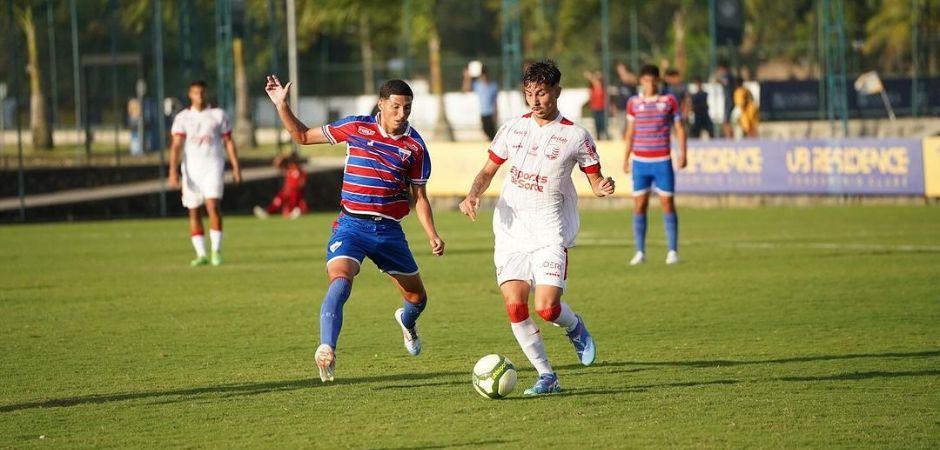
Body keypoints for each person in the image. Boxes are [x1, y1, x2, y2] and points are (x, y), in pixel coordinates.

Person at [264, 75, 445, 383]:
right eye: (396, 107)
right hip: (351, 225)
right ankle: (326, 348)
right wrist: (282, 106)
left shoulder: (415, 146)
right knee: (340, 281)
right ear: (382, 104)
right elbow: (303, 137)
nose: (402, 114)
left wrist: (432, 234)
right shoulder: (356, 127)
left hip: (389, 232)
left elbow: (420, 197)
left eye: (407, 108)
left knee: (417, 299)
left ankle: (407, 322)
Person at [458, 60, 615, 396]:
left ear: (557, 92)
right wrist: (472, 195)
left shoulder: (576, 135)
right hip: (511, 230)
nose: (535, 99)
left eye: (541, 93)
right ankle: (547, 376)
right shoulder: (513, 128)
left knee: (546, 308)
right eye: (529, 93)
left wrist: (602, 187)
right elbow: (487, 172)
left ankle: (573, 326)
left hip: (549, 230)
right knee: (515, 306)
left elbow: (595, 178)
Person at [168, 80, 242, 267]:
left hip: (213, 167)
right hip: (191, 170)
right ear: (190, 95)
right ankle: (201, 254)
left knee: (212, 206)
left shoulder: (217, 115)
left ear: (206, 94)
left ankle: (216, 251)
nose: (199, 96)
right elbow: (176, 146)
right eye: (195, 93)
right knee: (193, 211)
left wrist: (236, 167)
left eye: (202, 92)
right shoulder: (182, 118)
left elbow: (229, 142)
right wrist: (172, 170)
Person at [623, 64, 687, 266]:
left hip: (662, 161)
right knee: (639, 205)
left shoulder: (668, 101)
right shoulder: (633, 103)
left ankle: (672, 251)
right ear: (641, 81)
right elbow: (630, 131)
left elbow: (679, 128)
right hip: (641, 162)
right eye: (645, 80)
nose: (649, 84)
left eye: (652, 80)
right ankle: (640, 251)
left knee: (667, 203)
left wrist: (683, 152)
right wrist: (625, 157)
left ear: (658, 81)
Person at [253, 153, 308, 220]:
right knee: (277, 200)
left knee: (291, 206)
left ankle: (296, 211)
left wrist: (297, 188)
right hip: (286, 191)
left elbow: (302, 183)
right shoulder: (289, 169)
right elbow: (278, 164)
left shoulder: (300, 171)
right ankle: (267, 212)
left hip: (294, 192)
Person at [462, 62, 500, 140]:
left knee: (493, 134)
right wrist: (467, 77)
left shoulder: (493, 86)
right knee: (486, 131)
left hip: (491, 113)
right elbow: (466, 89)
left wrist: (496, 115)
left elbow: (495, 102)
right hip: (483, 114)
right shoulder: (478, 85)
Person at [584, 70, 609, 140]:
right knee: (597, 125)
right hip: (595, 108)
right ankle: (599, 137)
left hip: (602, 108)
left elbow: (596, 84)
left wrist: (591, 76)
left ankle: (605, 136)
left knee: (603, 124)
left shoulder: (601, 86)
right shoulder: (592, 87)